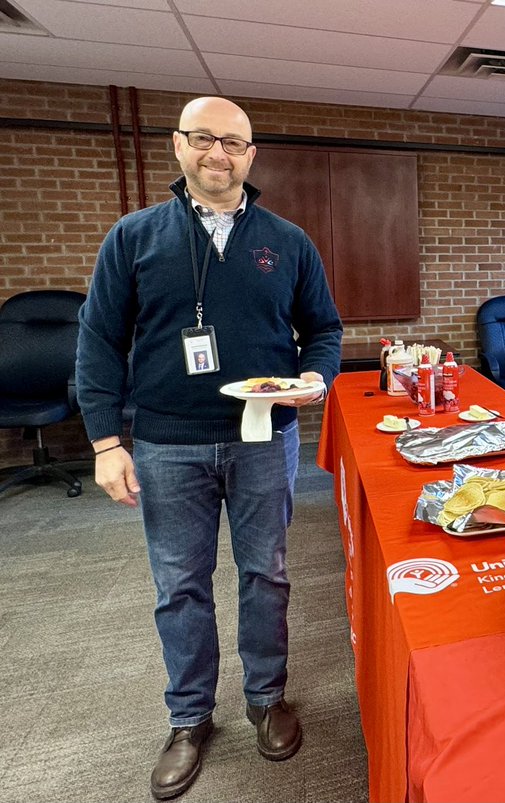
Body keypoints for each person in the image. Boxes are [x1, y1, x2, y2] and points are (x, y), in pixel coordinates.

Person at [76, 97, 343, 800]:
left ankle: (266, 695)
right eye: (203, 139)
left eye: (233, 142)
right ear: (178, 146)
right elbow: (98, 341)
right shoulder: (133, 238)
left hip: (263, 438)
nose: (217, 153)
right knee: (181, 586)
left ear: (251, 155)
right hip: (166, 443)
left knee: (268, 574)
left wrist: (316, 376)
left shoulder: (287, 240)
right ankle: (189, 717)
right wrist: (107, 439)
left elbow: (323, 328)